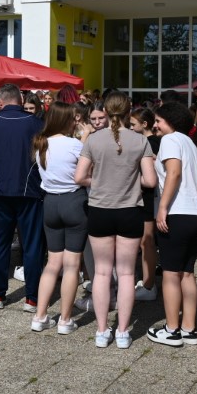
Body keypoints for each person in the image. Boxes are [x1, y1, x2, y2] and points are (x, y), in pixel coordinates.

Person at [75, 90, 156, 348]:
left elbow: (79, 177)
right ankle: (122, 332)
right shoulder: (140, 140)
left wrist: (99, 180)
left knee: (101, 272)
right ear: (129, 110)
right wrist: (129, 179)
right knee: (127, 273)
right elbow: (150, 180)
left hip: (100, 209)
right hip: (130, 210)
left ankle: (102, 331)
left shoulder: (94, 140)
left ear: (107, 112)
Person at [0, 83, 46, 310]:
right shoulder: (37, 123)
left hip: (0, 191)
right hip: (29, 191)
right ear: (21, 100)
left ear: (0, 102)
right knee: (32, 245)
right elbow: (43, 157)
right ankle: (32, 297)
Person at [145, 101, 197, 348]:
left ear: (170, 121)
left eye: (158, 121)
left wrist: (162, 207)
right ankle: (189, 328)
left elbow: (174, 173)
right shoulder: (189, 142)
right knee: (187, 273)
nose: (155, 125)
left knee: (170, 274)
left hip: (176, 213)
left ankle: (171, 329)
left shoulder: (170, 140)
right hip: (195, 214)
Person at [30, 101, 87, 335]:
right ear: (66, 120)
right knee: (72, 264)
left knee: (52, 263)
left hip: (50, 203)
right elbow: (87, 170)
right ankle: (65, 319)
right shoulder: (74, 144)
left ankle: (40, 316)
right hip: (74, 201)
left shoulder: (40, 144)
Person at [129, 107, 159, 301]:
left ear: (144, 124)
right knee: (144, 241)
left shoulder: (151, 143)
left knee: (146, 241)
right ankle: (147, 281)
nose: (130, 128)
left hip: (148, 196)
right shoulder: (149, 141)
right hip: (145, 196)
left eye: (133, 124)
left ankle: (149, 284)